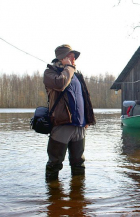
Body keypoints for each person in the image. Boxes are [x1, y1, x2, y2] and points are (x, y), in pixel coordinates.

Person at [43, 44, 96, 181]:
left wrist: (88, 120)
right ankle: (53, 197)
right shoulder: (50, 73)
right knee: (55, 163)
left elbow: (85, 98)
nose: (74, 60)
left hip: (79, 126)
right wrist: (69, 68)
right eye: (71, 57)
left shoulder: (77, 76)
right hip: (61, 125)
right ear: (62, 58)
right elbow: (61, 84)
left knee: (79, 164)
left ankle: (78, 198)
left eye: (74, 58)